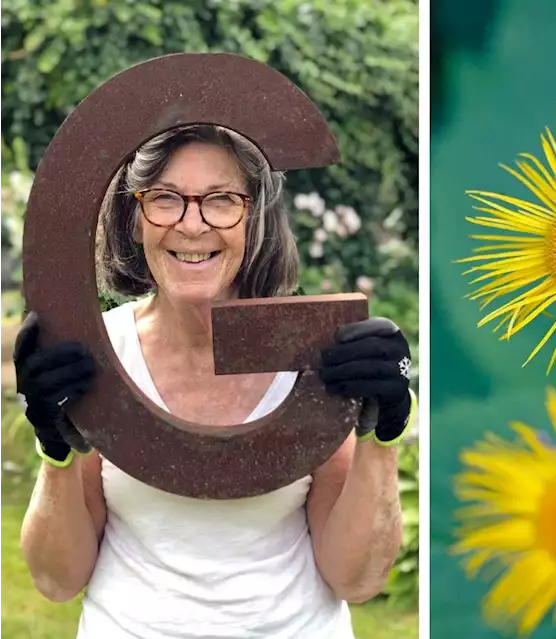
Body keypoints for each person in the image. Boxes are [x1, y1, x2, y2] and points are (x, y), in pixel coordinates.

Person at [13, 124, 413, 638]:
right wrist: (56, 448)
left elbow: (355, 579)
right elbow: (56, 579)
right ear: (136, 220)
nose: (192, 225)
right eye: (165, 199)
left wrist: (381, 435)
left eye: (221, 200)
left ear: (254, 220)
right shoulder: (98, 355)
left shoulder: (317, 355)